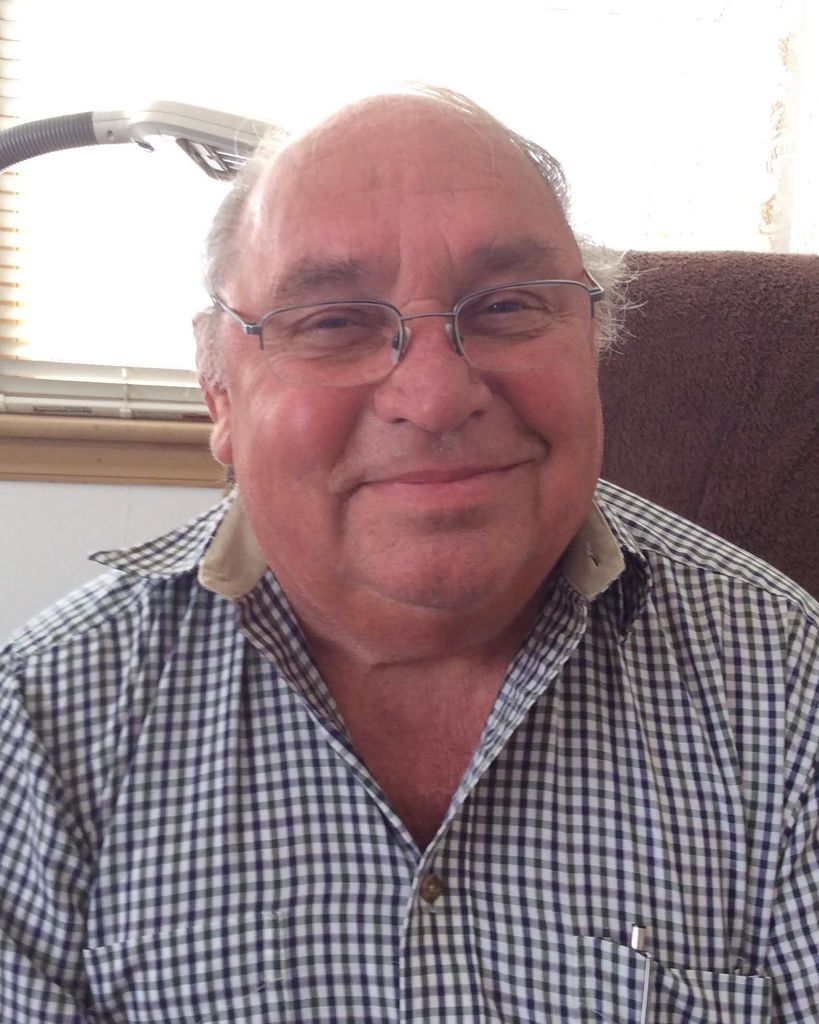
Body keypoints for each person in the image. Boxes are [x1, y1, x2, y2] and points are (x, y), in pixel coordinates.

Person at [0, 87, 816, 1023]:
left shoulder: (783, 683)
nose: (433, 397)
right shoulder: (43, 722)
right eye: (332, 323)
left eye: (506, 306)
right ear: (219, 392)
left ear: (592, 343)